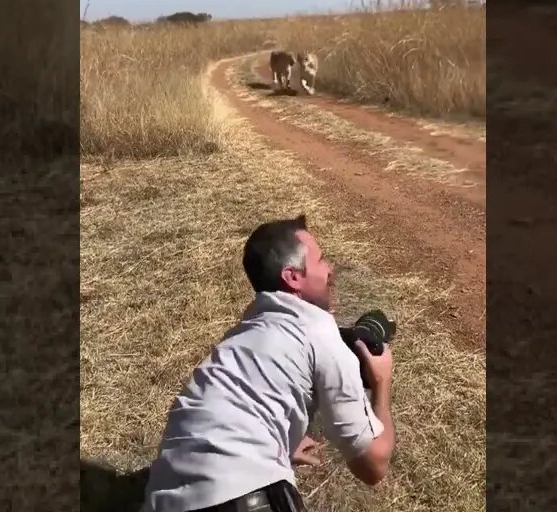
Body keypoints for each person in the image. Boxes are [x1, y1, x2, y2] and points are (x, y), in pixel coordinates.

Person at [140, 214, 396, 512]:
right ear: (293, 277)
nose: (331, 268)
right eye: (322, 260)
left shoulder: (244, 334)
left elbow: (223, 412)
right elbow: (373, 466)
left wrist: (278, 442)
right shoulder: (318, 331)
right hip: (243, 498)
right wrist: (381, 383)